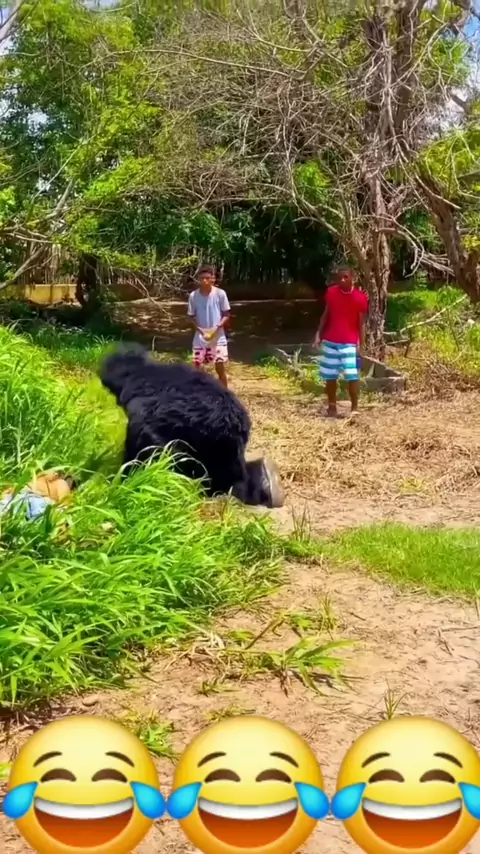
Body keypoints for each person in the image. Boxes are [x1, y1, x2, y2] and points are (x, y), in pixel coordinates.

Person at [313, 267, 368, 418]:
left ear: (353, 278)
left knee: (352, 375)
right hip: (330, 341)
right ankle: (332, 406)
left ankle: (354, 407)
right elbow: (326, 314)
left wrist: (361, 345)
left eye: (345, 277)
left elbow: (361, 323)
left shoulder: (359, 298)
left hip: (349, 343)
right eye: (339, 278)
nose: (342, 280)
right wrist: (318, 334)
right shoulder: (331, 293)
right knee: (330, 376)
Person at [187, 265, 231, 388]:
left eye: (207, 278)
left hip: (218, 336)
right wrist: (201, 330)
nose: (204, 281)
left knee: (219, 366)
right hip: (201, 337)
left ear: (213, 279)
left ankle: (224, 393)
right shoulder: (193, 296)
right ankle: (203, 392)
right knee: (199, 367)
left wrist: (216, 328)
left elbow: (226, 314)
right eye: (202, 278)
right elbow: (191, 316)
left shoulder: (220, 294)